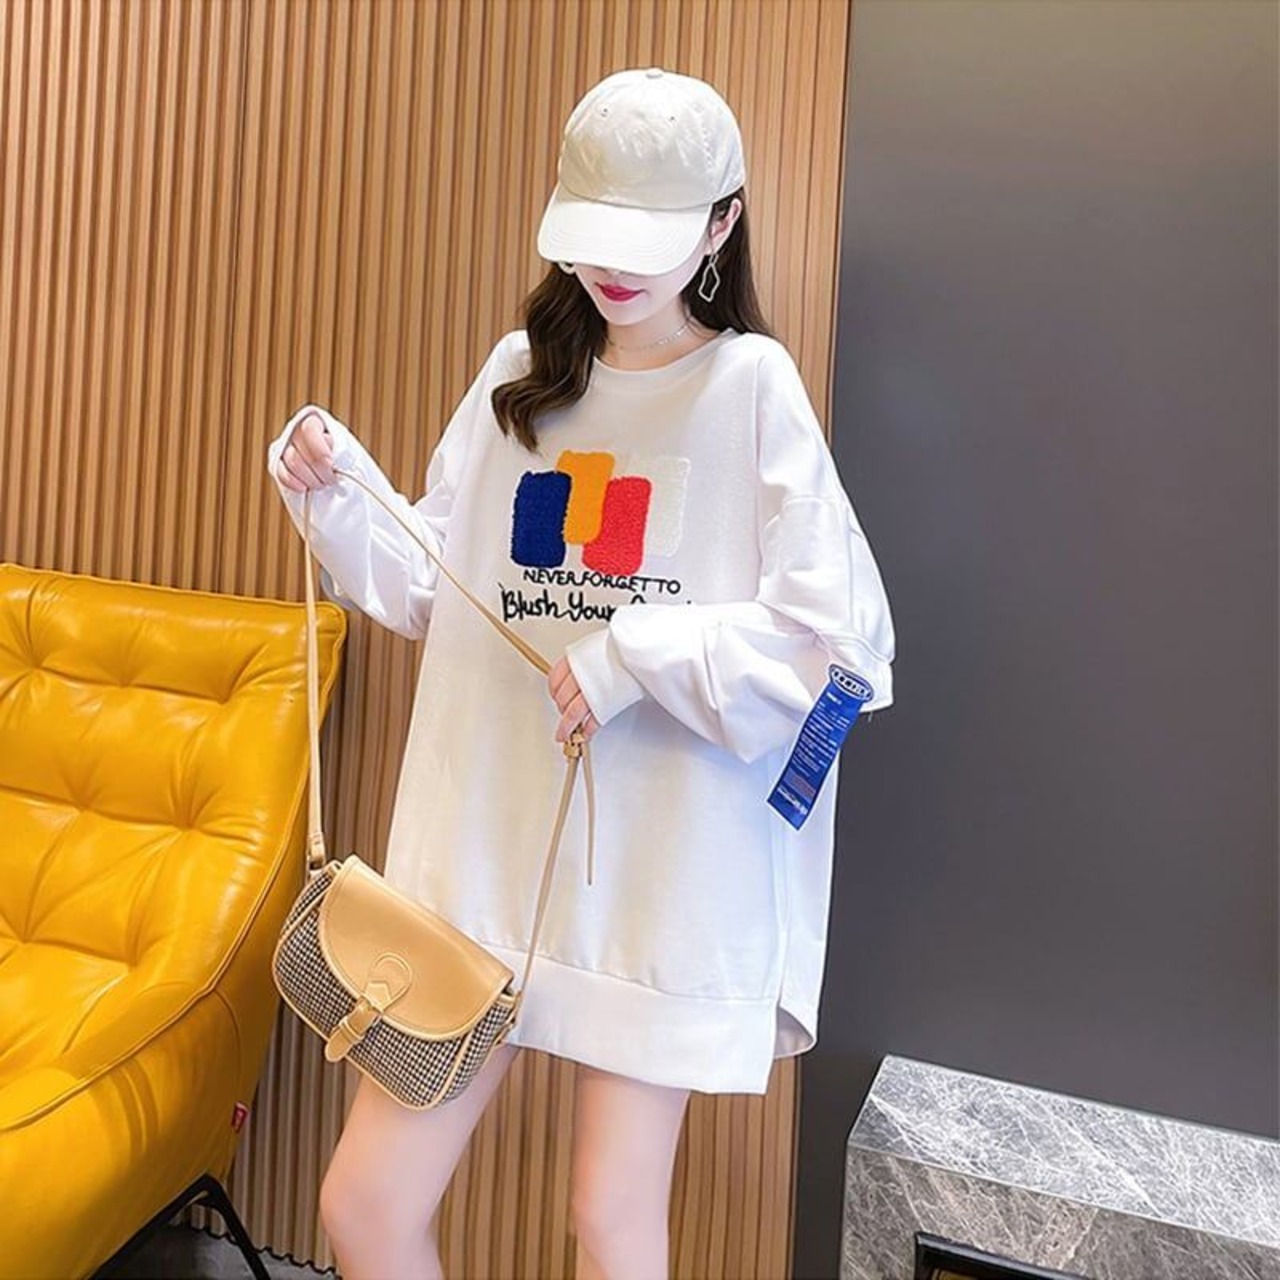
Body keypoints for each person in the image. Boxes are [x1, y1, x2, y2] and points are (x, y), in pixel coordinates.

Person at [266, 66, 894, 1280]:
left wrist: (631, 655)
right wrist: (336, 491)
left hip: (652, 874)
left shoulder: (747, 387)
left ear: (720, 223)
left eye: (646, 237)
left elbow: (836, 644)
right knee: (365, 1203)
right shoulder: (520, 372)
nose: (611, 269)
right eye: (592, 233)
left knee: (609, 1220)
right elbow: (427, 585)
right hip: (480, 856)